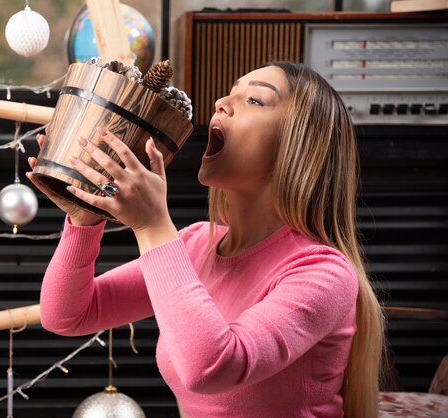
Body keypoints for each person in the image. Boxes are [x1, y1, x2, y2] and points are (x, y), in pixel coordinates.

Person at [26, 61, 385, 418]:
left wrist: (152, 226)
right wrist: (83, 220)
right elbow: (67, 315)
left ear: (301, 146)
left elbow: (212, 367)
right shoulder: (196, 245)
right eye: (231, 91)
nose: (222, 102)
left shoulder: (324, 273)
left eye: (255, 100)